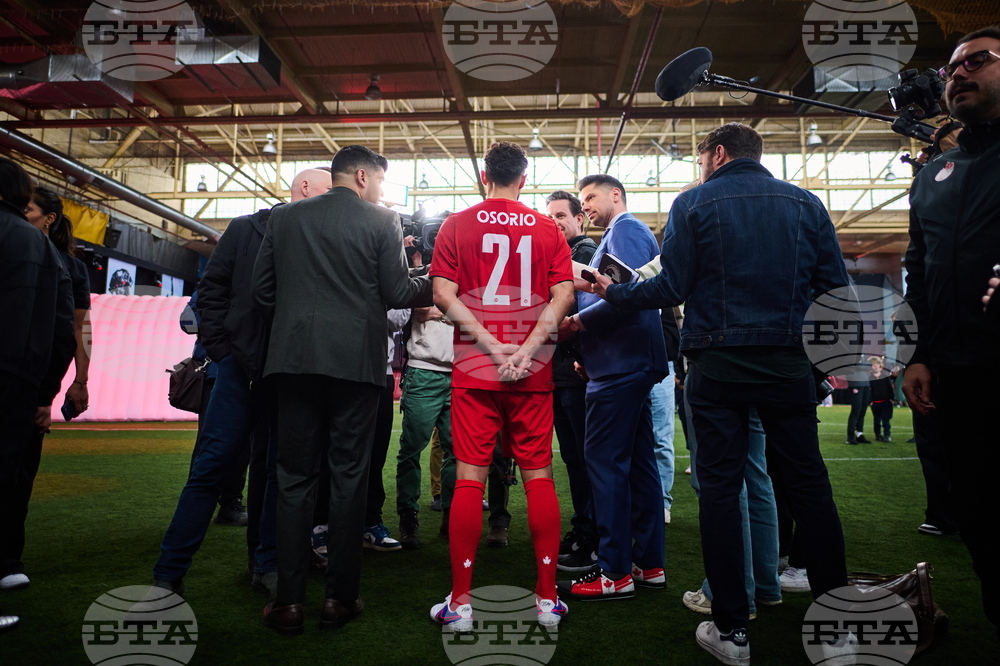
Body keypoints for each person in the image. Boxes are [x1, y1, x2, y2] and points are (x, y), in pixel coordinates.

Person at [594, 123, 852, 664]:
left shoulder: (695, 202)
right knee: (809, 489)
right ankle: (839, 626)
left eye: (700, 159)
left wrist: (616, 294)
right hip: (787, 364)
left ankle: (732, 630)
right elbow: (835, 293)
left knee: (719, 491)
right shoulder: (807, 204)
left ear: (717, 154)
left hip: (717, 366)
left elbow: (672, 287)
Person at [253, 145, 431, 635]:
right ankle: (340, 598)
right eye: (379, 182)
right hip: (355, 364)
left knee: (292, 477)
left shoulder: (283, 219)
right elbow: (398, 292)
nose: (380, 191)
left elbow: (262, 291)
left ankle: (288, 603)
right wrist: (436, 280)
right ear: (360, 176)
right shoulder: (381, 222)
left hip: (290, 362)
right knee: (349, 476)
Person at [152, 167, 333, 600]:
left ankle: (266, 564)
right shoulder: (245, 228)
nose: (336, 201)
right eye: (330, 190)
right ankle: (168, 572)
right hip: (238, 372)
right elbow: (211, 291)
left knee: (275, 473)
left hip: (287, 376)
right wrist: (223, 351)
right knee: (210, 470)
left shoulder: (319, 237)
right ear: (305, 188)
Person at [428, 141, 575, 631]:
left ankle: (461, 604)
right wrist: (527, 350)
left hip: (475, 368)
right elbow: (564, 294)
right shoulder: (548, 228)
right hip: (532, 371)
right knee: (538, 476)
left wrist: (493, 348)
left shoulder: (456, 224)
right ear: (524, 179)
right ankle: (547, 601)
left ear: (483, 177)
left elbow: (442, 294)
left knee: (470, 476)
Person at [904, 26, 1000, 635]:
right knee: (978, 512)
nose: (959, 74)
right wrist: (917, 352)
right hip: (957, 375)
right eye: (952, 69)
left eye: (979, 61)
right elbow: (918, 264)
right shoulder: (937, 172)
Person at [556, 174, 668, 601]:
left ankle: (615, 571)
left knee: (604, 464)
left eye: (589, 197)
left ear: (615, 194)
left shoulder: (627, 229)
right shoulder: (618, 234)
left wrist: (578, 324)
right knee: (637, 464)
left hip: (622, 365)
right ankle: (647, 564)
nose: (585, 206)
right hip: (619, 363)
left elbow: (629, 294)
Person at [1, 188, 91, 593]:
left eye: (29, 208)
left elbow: (74, 330)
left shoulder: (69, 267)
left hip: (27, 383)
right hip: (24, 382)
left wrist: (74, 382)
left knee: (17, 470)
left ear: (48, 218)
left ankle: (7, 557)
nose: (22, 214)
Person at [544, 190, 599, 570]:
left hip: (580, 372)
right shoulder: (556, 255)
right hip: (560, 374)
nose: (556, 222)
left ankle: (593, 536)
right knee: (574, 459)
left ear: (580, 218)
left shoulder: (586, 252)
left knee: (586, 459)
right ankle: (584, 530)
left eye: (562, 215)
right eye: (550, 217)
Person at [868, 356, 894, 442]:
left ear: (880, 365)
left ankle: (887, 435)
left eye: (876, 364)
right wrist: (870, 401)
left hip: (886, 402)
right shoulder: (869, 378)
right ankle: (878, 435)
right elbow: (869, 391)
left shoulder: (885, 377)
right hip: (875, 403)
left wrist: (891, 398)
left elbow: (889, 388)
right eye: (873, 365)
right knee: (877, 420)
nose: (875, 366)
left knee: (886, 420)